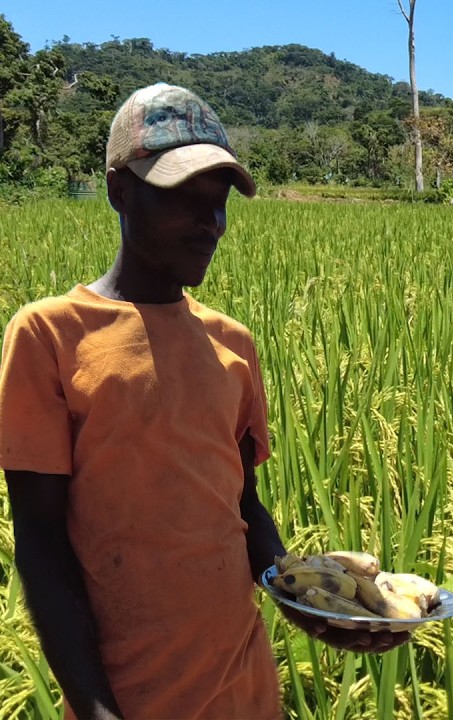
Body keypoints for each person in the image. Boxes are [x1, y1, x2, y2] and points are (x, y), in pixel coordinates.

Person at [0, 83, 409, 720]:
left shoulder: (233, 346)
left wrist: (309, 600)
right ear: (119, 192)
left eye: (217, 204)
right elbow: (41, 546)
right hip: (131, 698)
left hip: (243, 688)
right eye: (183, 200)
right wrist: (99, 712)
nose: (209, 224)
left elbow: (239, 502)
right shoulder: (49, 336)